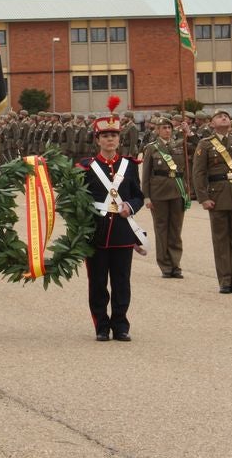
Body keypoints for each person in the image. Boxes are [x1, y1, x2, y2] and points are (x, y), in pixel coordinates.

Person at [79, 98, 145, 342]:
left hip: (121, 231)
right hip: (96, 232)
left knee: (121, 282)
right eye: (105, 136)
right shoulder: (86, 167)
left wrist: (130, 206)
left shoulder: (128, 165)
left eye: (113, 135)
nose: (110, 139)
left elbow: (138, 195)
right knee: (97, 282)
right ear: (97, 139)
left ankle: (121, 324)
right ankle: (101, 325)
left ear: (119, 139)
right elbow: (79, 200)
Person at [191, 109, 232, 294]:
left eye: (226, 116)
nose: (224, 117)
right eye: (219, 116)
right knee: (220, 240)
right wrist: (203, 198)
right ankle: (225, 280)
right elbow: (198, 173)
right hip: (216, 196)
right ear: (212, 124)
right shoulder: (206, 144)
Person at [140, 117, 188, 278]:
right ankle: (165, 266)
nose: (167, 130)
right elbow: (146, 174)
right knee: (162, 229)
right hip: (158, 193)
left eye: (169, 127)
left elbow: (195, 146)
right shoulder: (152, 148)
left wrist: (189, 131)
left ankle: (176, 264)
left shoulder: (180, 145)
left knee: (176, 230)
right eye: (163, 128)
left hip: (177, 191)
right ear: (157, 131)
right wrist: (146, 197)